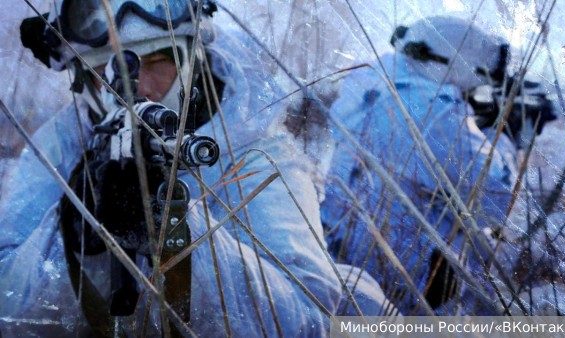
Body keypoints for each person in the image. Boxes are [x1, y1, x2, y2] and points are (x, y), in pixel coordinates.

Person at [0, 1, 387, 336]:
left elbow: (307, 320)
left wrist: (177, 229)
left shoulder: (257, 151)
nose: (142, 87)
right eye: (110, 70)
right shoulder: (62, 146)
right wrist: (77, 231)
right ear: (83, 77)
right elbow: (8, 310)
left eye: (158, 61)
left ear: (191, 59)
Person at [321, 16, 554, 315]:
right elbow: (495, 203)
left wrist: (473, 118)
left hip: (354, 266)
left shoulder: (374, 82)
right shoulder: (431, 110)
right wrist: (505, 135)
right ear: (453, 63)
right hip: (411, 290)